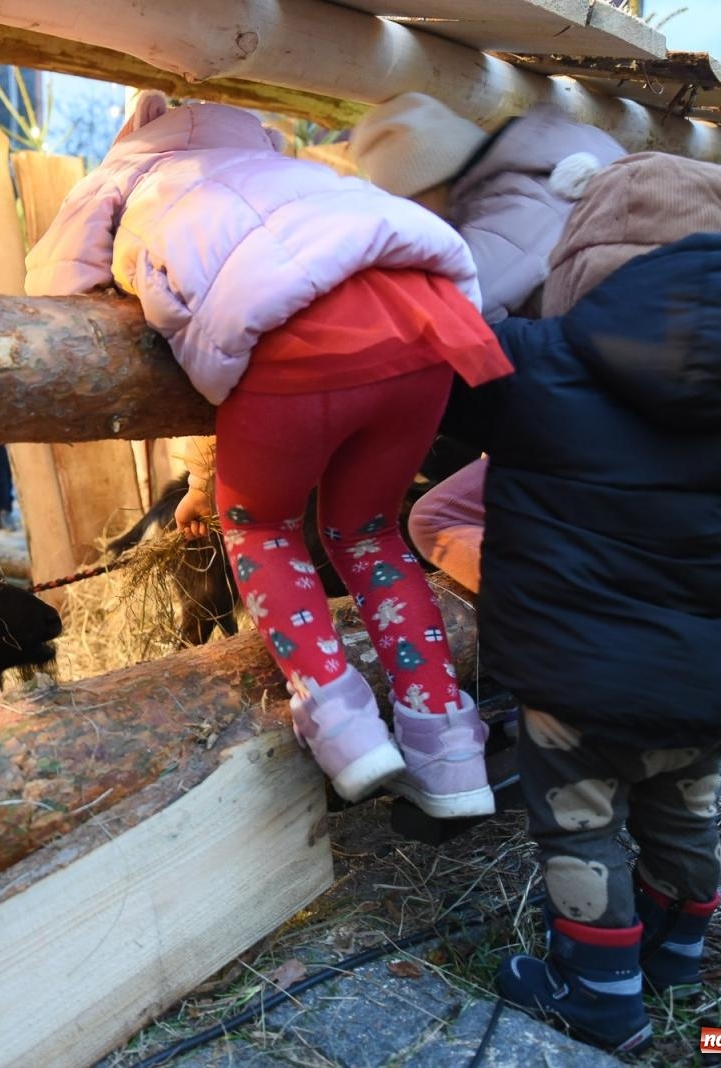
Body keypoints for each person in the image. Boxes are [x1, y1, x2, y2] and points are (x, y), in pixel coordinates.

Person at [455, 152, 721, 1052]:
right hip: (707, 683)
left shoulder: (526, 362)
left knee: (581, 830)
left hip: (568, 689)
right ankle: (676, 958)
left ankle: (598, 993)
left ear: (579, 252)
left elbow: (440, 379)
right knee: (685, 811)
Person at [26, 92, 512, 818]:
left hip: (301, 345)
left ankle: (344, 727)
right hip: (426, 326)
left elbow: (52, 285)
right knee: (371, 534)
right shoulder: (287, 165)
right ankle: (448, 750)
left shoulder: (128, 173)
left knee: (262, 527)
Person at [349, 93, 625, 593]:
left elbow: (458, 309)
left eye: (408, 204)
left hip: (612, 412)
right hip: (622, 394)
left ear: (425, 182)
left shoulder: (517, 206)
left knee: (436, 519)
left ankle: (568, 607)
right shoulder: (545, 165)